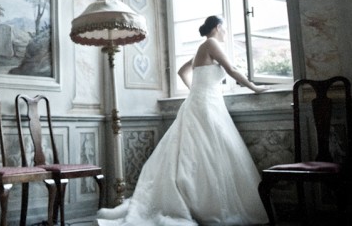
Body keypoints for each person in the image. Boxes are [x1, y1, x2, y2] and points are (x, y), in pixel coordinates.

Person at [96, 15, 269, 226]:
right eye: (224, 28)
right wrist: (254, 87)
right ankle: (205, 205)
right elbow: (232, 70)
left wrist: (196, 90)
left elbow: (181, 71)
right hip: (206, 104)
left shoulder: (202, 48)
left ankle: (200, 201)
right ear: (218, 27)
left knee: (200, 151)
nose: (225, 32)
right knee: (207, 151)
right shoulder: (211, 43)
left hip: (201, 101)